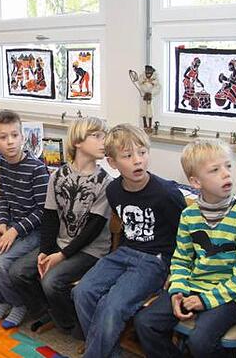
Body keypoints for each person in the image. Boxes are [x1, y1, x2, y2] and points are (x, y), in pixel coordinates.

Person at [135, 139, 236, 358]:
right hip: (194, 285)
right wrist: (178, 291)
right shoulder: (189, 215)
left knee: (200, 340)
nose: (226, 174)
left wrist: (205, 301)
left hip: (230, 295)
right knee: (145, 323)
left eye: (228, 166)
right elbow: (182, 259)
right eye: (215, 170)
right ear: (195, 182)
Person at [73, 123, 185, 357]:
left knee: (112, 305)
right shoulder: (113, 191)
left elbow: (185, 236)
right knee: (82, 292)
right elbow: (124, 227)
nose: (138, 161)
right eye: (127, 156)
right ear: (112, 163)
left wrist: (175, 271)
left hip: (154, 260)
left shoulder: (167, 194)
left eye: (142, 153)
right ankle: (109, 353)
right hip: (124, 252)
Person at [9, 117, 113, 339]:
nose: (104, 141)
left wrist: (61, 256)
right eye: (97, 136)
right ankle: (51, 311)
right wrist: (45, 251)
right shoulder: (57, 176)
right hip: (61, 244)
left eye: (104, 136)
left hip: (90, 250)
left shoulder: (105, 182)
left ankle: (73, 325)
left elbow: (93, 229)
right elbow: (50, 218)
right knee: (17, 272)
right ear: (77, 141)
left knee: (51, 282)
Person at [0, 110, 49, 328]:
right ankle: (2, 299)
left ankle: (18, 303)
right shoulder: (3, 165)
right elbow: (4, 199)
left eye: (15, 135)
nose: (10, 142)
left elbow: (43, 211)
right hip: (13, 226)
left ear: (23, 137)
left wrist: (15, 231)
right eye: (3, 137)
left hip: (34, 231)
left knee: (1, 261)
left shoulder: (37, 169)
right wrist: (2, 224)